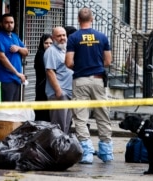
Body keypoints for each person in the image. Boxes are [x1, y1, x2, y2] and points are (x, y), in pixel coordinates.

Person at [65, 7, 113, 164]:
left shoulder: (73, 38)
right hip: (98, 80)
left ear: (78, 20)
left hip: (80, 80)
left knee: (80, 117)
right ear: (92, 19)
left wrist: (80, 67)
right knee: (103, 115)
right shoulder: (102, 37)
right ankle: (106, 153)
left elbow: (68, 62)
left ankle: (86, 153)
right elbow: (108, 61)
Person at [0, 13, 28, 102]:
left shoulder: (15, 37)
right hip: (4, 78)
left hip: (15, 79)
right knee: (2, 111)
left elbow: (26, 52)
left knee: (13, 111)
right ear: (1, 24)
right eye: (6, 22)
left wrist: (18, 48)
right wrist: (17, 73)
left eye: (11, 22)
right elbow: (2, 57)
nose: (9, 25)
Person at [43, 26, 73, 134]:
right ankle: (57, 150)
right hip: (59, 94)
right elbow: (50, 71)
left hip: (68, 93)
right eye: (59, 36)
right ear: (53, 37)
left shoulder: (65, 49)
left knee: (66, 125)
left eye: (64, 35)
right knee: (58, 127)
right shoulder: (51, 51)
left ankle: (63, 149)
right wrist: (59, 92)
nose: (62, 38)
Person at [34, 33, 53, 121]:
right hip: (42, 86)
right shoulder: (40, 54)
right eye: (46, 43)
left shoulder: (52, 54)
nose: (49, 45)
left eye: (51, 43)